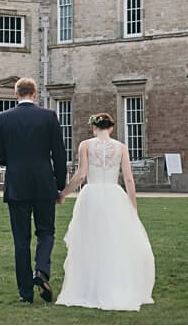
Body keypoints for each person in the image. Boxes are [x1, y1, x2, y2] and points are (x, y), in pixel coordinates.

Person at [55, 112, 155, 311]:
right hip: (114, 196)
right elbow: (128, 179)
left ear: (94, 127)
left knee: (88, 241)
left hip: (91, 196)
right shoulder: (121, 148)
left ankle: (87, 287)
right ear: (111, 128)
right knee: (114, 241)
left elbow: (81, 174)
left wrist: (64, 193)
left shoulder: (85, 145)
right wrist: (132, 206)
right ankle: (115, 285)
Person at [0, 77, 69, 304]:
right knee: (46, 232)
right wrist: (59, 184)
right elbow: (59, 154)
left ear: (16, 94)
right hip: (44, 182)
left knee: (21, 240)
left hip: (16, 184)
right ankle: (41, 271)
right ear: (35, 94)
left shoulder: (3, 119)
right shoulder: (49, 117)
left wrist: (13, 161)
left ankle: (25, 293)